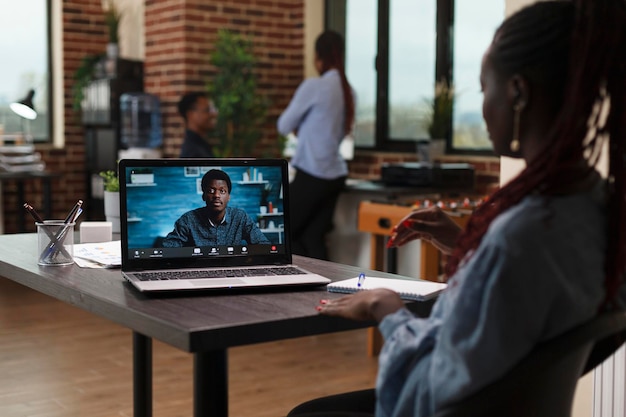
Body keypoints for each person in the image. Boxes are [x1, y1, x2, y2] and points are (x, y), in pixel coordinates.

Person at [290, 1, 626, 416]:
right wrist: (469, 241)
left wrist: (386, 308)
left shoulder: (521, 233)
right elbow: (518, 297)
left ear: (518, 92)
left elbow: (435, 388)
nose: (483, 109)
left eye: (485, 89)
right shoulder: (594, 202)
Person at [277, 30, 355, 261]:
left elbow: (283, 125)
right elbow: (336, 133)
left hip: (313, 173)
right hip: (336, 175)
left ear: (318, 57)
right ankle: (321, 291)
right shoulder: (348, 91)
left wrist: (300, 126)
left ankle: (296, 285)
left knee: (284, 231)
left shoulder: (315, 86)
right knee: (313, 237)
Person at [162, 169, 270, 247]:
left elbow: (263, 245)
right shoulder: (188, 220)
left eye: (222, 191)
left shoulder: (240, 217)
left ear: (228, 197)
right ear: (203, 196)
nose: (217, 195)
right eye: (211, 191)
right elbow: (168, 249)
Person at [178, 91, 218, 158]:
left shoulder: (200, 145)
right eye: (207, 110)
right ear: (190, 115)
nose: (213, 114)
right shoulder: (193, 152)